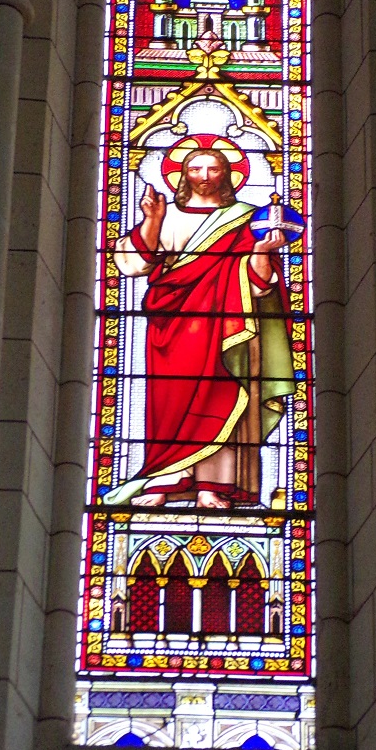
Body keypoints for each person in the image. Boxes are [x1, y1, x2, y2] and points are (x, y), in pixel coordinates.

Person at [104, 147, 295, 509]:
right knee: (172, 401)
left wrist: (262, 250)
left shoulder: (246, 220)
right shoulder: (167, 215)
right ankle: (165, 479)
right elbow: (132, 264)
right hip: (171, 327)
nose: (205, 175)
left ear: (226, 175)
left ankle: (213, 485)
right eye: (195, 168)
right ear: (182, 175)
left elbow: (259, 283)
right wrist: (153, 220)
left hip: (226, 324)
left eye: (213, 168)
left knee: (222, 397)